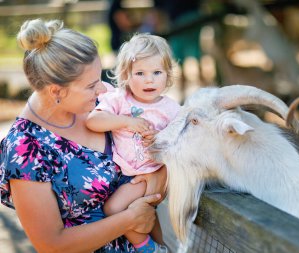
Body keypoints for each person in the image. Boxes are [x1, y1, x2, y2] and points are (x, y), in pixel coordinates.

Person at [0, 19, 167, 253]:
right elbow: (51, 244)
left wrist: (158, 176)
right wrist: (129, 220)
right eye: (91, 85)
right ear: (56, 91)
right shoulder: (25, 148)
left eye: (100, 78)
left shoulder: (104, 103)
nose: (102, 89)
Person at [86, 33, 180, 253]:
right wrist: (126, 121)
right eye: (140, 73)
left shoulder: (172, 109)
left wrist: (159, 138)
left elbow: (182, 142)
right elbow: (93, 121)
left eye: (157, 72)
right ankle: (161, 248)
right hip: (125, 174)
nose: (149, 80)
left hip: (151, 175)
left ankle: (146, 247)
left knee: (113, 208)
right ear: (126, 75)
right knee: (147, 216)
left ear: (168, 74)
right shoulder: (119, 99)